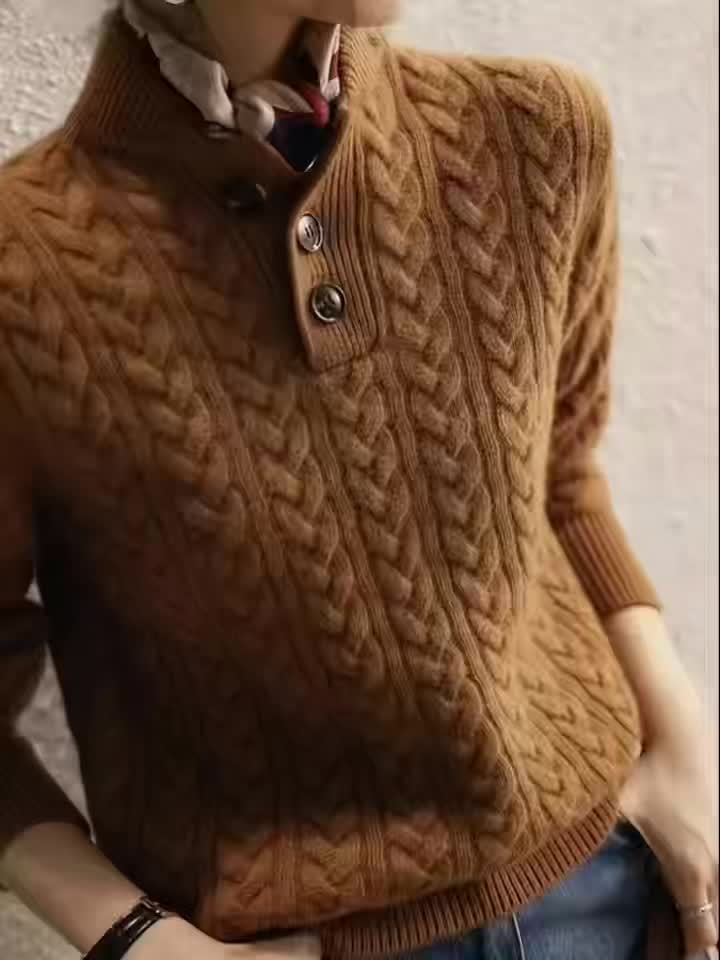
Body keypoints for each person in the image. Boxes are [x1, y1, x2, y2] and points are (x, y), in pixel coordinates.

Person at [0, 1, 717, 959]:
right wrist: (139, 939)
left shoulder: (539, 132)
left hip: (614, 891)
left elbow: (562, 478)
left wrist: (685, 747)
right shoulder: (23, 268)